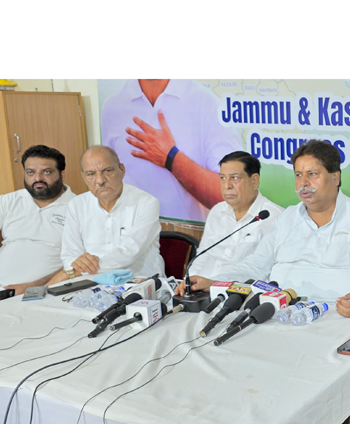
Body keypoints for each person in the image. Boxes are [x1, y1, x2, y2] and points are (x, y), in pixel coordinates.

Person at [178, 139, 350, 424]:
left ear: (335, 177)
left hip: (342, 321)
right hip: (286, 318)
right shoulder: (287, 219)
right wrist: (214, 281)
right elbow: (255, 265)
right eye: (298, 175)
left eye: (313, 174)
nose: (303, 183)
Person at [101, 79, 243, 222]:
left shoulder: (207, 104)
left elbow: (236, 195)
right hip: (131, 234)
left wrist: (172, 158)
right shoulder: (111, 107)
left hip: (190, 235)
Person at [47, 146, 164, 284]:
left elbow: (129, 254)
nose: (100, 180)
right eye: (91, 174)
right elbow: (70, 255)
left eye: (107, 171)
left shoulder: (147, 203)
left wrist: (77, 271)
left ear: (122, 170)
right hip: (91, 284)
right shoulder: (77, 205)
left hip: (139, 282)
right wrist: (77, 268)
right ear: (83, 177)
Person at [0, 145, 76, 307]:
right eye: (30, 172)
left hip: (48, 290)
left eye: (46, 172)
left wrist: (34, 286)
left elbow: (79, 264)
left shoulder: (78, 207)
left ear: (62, 175)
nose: (38, 178)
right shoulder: (9, 201)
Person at [189, 151, 283, 277]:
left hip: (239, 288)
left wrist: (214, 283)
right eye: (223, 178)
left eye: (235, 178)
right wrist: (190, 280)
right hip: (201, 286)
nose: (227, 186)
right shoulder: (217, 211)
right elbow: (202, 255)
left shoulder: (276, 217)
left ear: (254, 181)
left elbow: (261, 269)